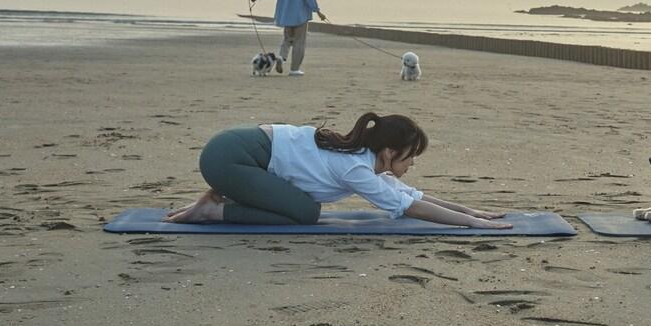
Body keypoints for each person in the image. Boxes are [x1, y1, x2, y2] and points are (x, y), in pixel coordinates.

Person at [164, 111, 512, 228]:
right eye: (409, 157)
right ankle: (214, 209)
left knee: (301, 209)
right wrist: (472, 225)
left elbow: (411, 196)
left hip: (237, 151)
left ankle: (219, 200)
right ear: (389, 153)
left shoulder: (367, 160)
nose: (412, 165)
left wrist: (471, 211)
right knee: (304, 212)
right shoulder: (356, 169)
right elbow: (409, 207)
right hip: (229, 157)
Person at [250, 0, 325, 75]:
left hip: (286, 16)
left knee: (287, 40)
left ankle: (281, 57)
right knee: (299, 42)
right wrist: (318, 11)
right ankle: (294, 69)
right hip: (300, 17)